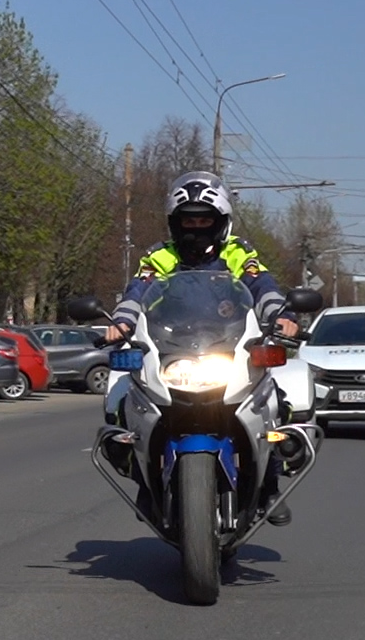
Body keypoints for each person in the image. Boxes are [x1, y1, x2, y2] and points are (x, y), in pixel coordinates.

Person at [104, 171, 299, 525]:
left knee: (273, 401)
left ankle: (270, 482)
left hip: (230, 344)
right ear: (174, 223)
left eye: (204, 219)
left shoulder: (239, 252)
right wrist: (121, 323)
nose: (196, 228)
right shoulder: (159, 256)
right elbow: (137, 291)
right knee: (123, 401)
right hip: (172, 347)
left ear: (221, 222)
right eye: (188, 220)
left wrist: (282, 315)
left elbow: (261, 285)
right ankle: (144, 483)